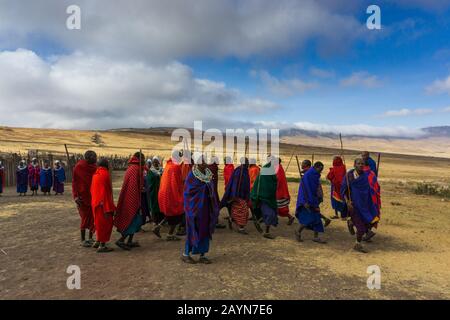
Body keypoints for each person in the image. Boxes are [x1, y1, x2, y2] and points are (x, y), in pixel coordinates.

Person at [182, 153, 220, 264]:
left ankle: (202, 255)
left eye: (204, 161)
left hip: (206, 208)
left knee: (205, 230)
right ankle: (185, 254)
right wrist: (205, 189)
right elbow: (188, 192)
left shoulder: (208, 174)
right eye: (201, 161)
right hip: (195, 209)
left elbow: (212, 188)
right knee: (193, 230)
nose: (204, 163)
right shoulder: (192, 175)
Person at [341, 158, 381, 253]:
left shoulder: (365, 176)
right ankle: (357, 244)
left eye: (362, 163)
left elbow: (368, 190)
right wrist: (347, 202)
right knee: (361, 228)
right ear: (354, 164)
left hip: (364, 204)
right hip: (353, 205)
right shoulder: (349, 176)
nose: (360, 165)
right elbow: (343, 190)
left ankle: (351, 223)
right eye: (358, 163)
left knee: (368, 221)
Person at [114, 152, 145, 250]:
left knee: (136, 220)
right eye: (143, 159)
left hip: (133, 197)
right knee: (131, 220)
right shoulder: (135, 169)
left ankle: (130, 240)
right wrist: (136, 199)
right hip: (132, 199)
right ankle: (121, 240)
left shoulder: (133, 168)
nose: (144, 161)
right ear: (139, 159)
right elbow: (133, 187)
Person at [295, 162, 327, 244]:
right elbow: (304, 190)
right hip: (307, 200)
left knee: (317, 219)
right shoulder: (309, 175)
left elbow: (315, 189)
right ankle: (298, 231)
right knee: (309, 219)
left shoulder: (314, 175)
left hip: (313, 199)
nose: (321, 171)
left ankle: (316, 237)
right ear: (316, 167)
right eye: (320, 169)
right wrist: (305, 201)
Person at [157, 150, 184, 241]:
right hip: (171, 193)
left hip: (164, 193)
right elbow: (178, 182)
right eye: (180, 156)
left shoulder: (168, 165)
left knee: (170, 213)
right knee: (176, 214)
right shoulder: (175, 167)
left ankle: (158, 227)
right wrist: (180, 194)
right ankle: (170, 234)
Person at [72, 150, 97, 247]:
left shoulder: (95, 168)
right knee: (85, 218)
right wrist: (76, 196)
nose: (96, 159)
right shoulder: (79, 167)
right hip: (82, 197)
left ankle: (90, 238)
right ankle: (83, 240)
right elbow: (74, 183)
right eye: (94, 157)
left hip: (93, 196)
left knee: (93, 218)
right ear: (88, 158)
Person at [91, 158, 116, 253]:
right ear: (106, 165)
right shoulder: (105, 174)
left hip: (96, 203)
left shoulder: (96, 174)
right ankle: (102, 245)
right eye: (109, 164)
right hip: (103, 205)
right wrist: (107, 207)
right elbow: (104, 193)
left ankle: (97, 241)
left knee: (98, 223)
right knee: (105, 224)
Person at [220, 157, 251, 234]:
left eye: (248, 162)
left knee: (238, 210)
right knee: (243, 211)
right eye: (246, 162)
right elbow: (234, 184)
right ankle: (241, 228)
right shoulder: (239, 171)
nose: (248, 164)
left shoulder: (245, 171)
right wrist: (234, 196)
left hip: (243, 195)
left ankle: (231, 219)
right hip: (237, 195)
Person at [250, 157, 278, 239]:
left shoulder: (269, 168)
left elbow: (272, 181)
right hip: (264, 196)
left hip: (267, 196)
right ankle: (266, 232)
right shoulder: (267, 169)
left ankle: (260, 222)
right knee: (270, 214)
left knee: (268, 213)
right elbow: (266, 183)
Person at [301, 159, 331, 227]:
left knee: (312, 211)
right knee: (314, 210)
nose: (301, 165)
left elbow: (309, 187)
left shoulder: (310, 172)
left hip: (315, 195)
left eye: (303, 164)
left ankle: (302, 228)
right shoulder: (312, 172)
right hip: (315, 195)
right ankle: (325, 219)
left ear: (307, 165)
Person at [146, 156, 164, 237]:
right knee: (153, 205)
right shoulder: (150, 171)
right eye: (154, 161)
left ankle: (160, 220)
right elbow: (149, 180)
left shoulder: (162, 170)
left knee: (160, 205)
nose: (155, 163)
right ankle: (155, 221)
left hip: (161, 191)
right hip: (153, 191)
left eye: (157, 161)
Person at [208, 156, 226, 229]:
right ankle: (214, 222)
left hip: (211, 190)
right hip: (212, 191)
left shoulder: (211, 167)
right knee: (214, 206)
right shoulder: (213, 167)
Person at [275, 158, 295, 225]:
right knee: (277, 206)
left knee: (281, 207)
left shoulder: (278, 169)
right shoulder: (278, 168)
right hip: (280, 190)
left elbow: (278, 180)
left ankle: (290, 217)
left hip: (279, 191)